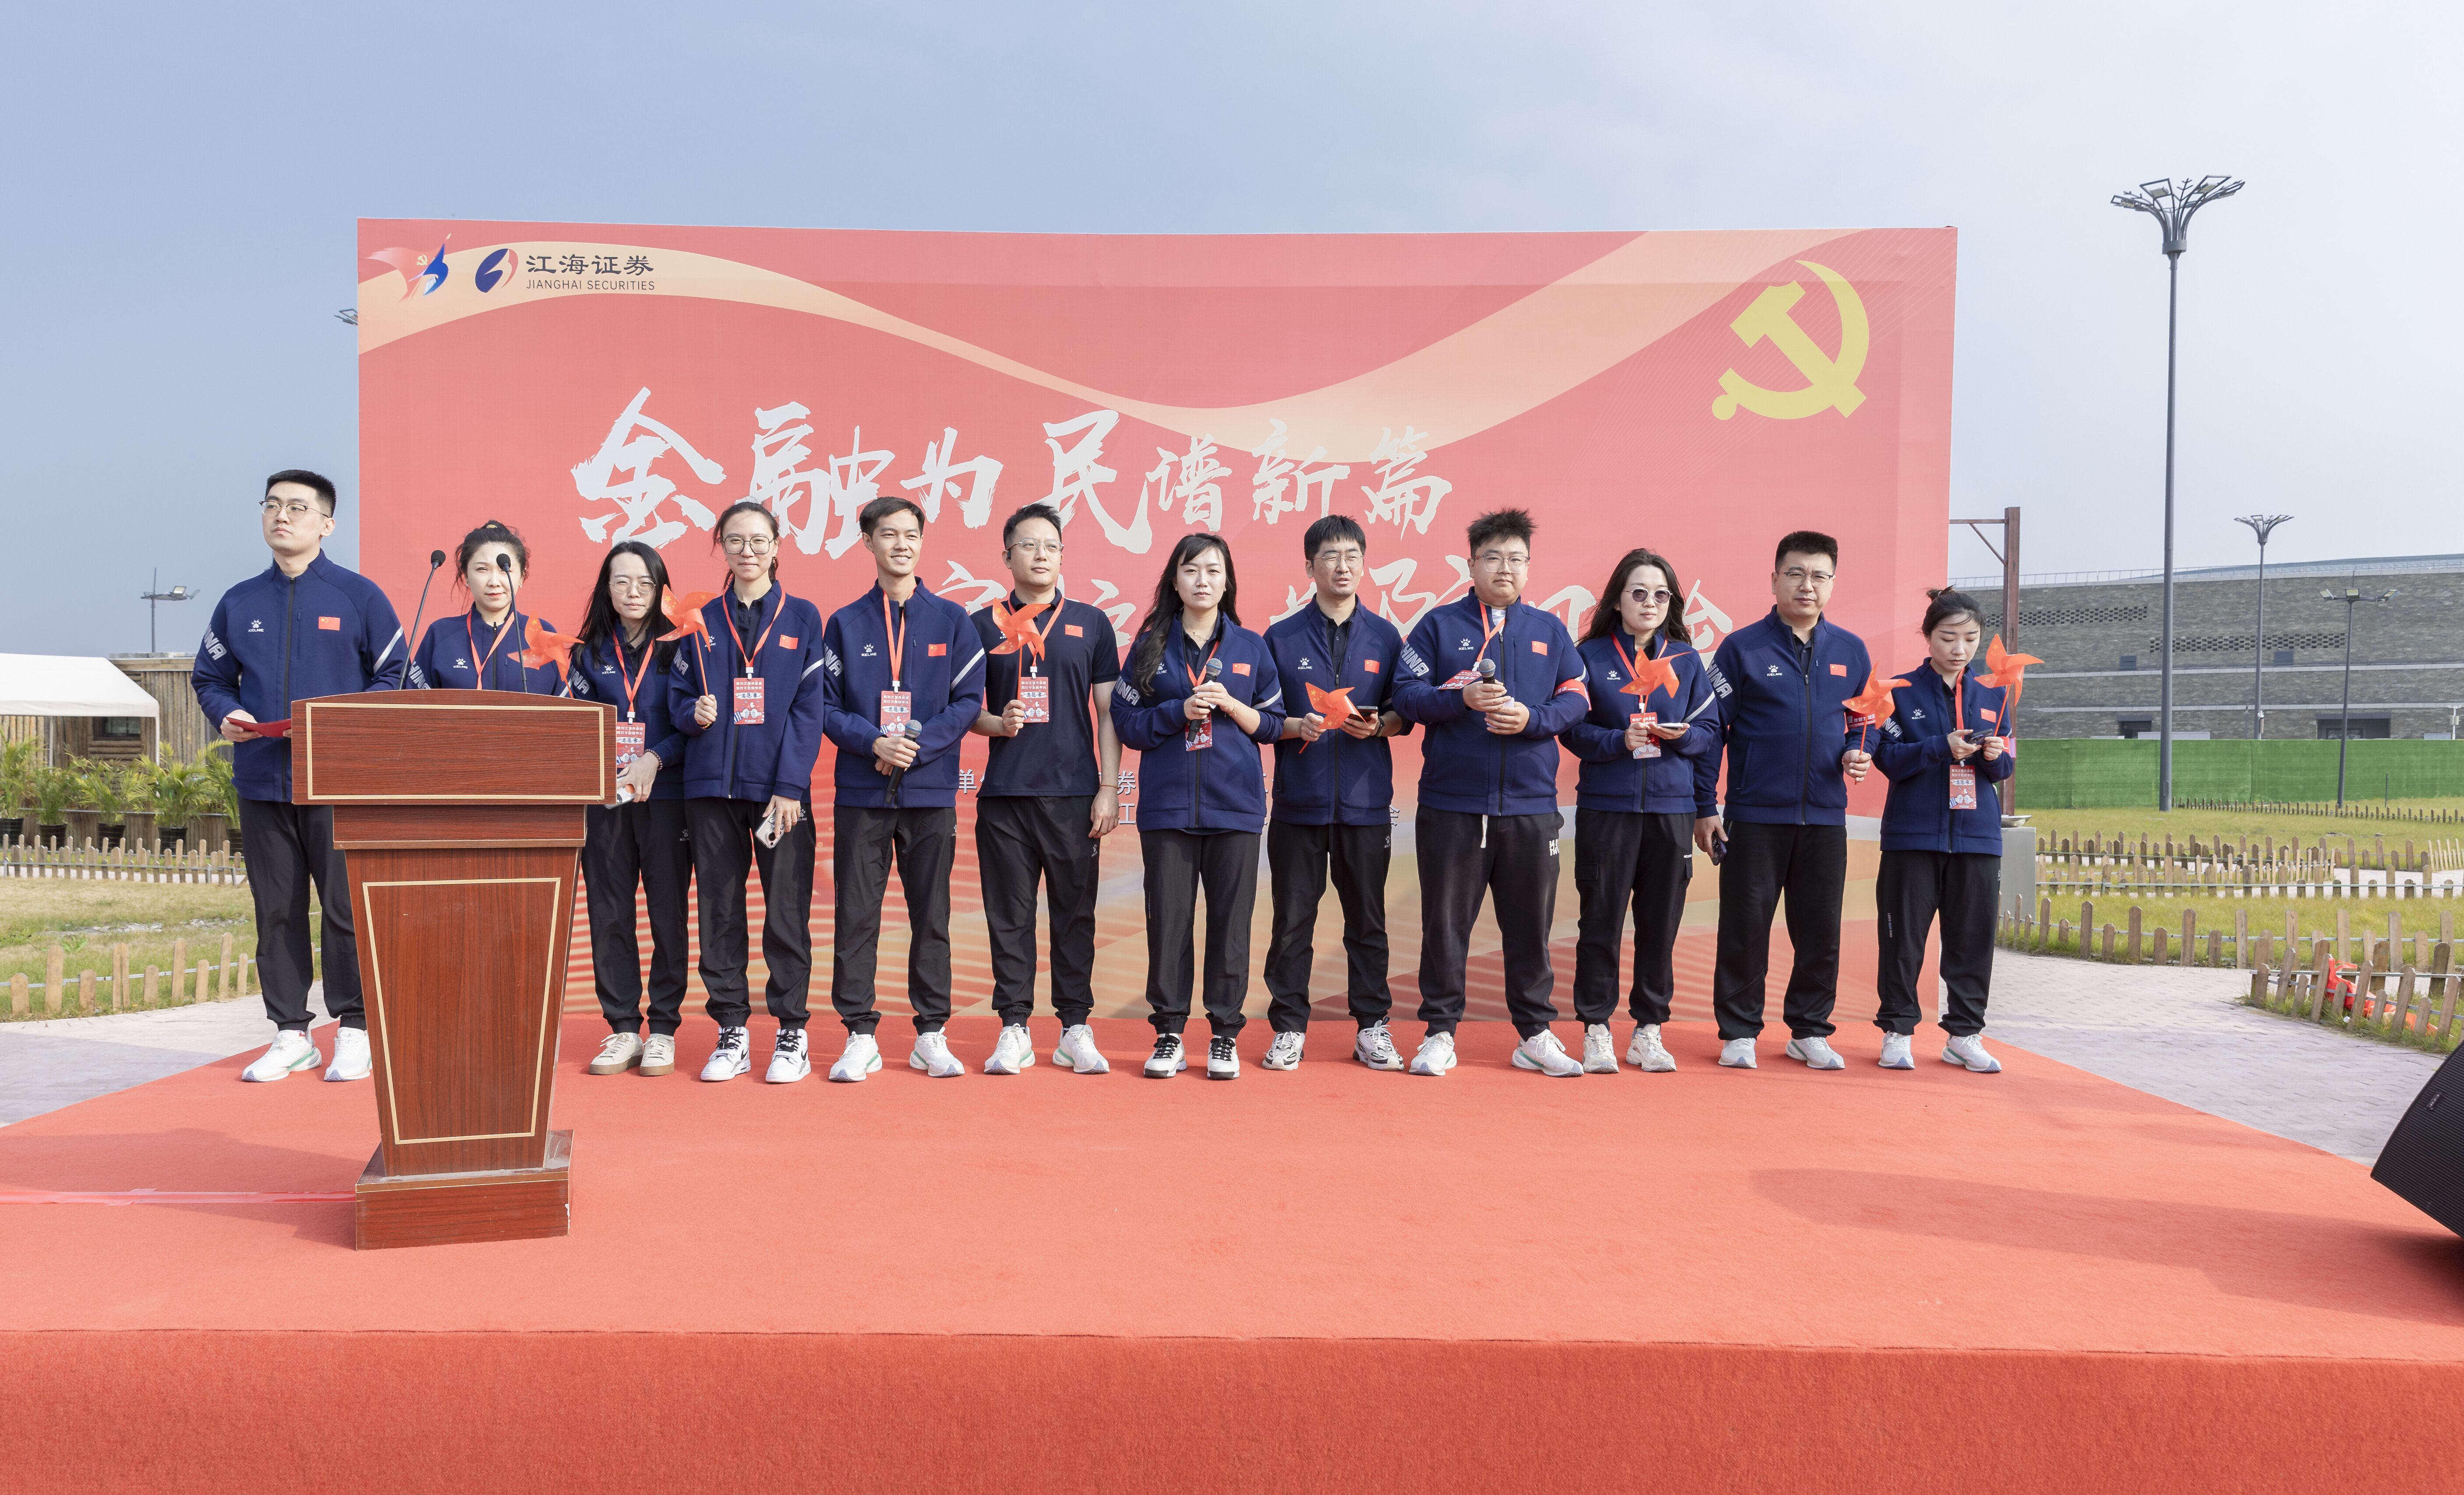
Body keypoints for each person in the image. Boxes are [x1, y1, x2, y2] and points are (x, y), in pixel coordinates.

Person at [192, 469, 405, 1084]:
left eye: (297, 507)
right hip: (262, 780)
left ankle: (356, 1030)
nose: (282, 516)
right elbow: (209, 678)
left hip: (338, 783)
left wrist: (349, 723)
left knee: (344, 909)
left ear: (326, 524)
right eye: (272, 505)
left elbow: (395, 674)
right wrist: (226, 713)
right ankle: (291, 1033)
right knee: (277, 912)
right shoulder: (239, 602)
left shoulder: (359, 596)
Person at [1390, 508, 1591, 1079]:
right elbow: (1405, 695)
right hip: (1453, 806)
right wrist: (1460, 701)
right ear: (1471, 563)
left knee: (1530, 926)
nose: (1506, 568)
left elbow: (1578, 697)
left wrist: (1532, 718)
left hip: (1531, 808)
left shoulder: (1548, 630)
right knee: (1445, 925)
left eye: (1517, 558)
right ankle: (1439, 1032)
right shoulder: (1438, 626)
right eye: (1494, 557)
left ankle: (1534, 1034)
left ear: (1529, 566)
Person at [817, 495, 986, 1082]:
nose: (901, 544)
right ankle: (859, 1035)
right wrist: (874, 743)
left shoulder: (953, 621)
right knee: (856, 915)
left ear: (922, 541)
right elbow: (825, 706)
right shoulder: (844, 623)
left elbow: (969, 701)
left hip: (931, 792)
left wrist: (918, 745)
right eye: (888, 534)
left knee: (931, 915)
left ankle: (931, 1033)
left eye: (911, 534)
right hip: (862, 794)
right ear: (868, 542)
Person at [1693, 530, 1874, 1072]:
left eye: (1819, 576)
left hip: (1825, 817)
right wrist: (1706, 805)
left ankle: (1810, 1030)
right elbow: (1712, 730)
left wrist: (1859, 751)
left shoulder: (1852, 651)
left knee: (1820, 930)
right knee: (1745, 927)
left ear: (1832, 584)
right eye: (1795, 574)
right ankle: (1739, 1031)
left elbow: (1864, 722)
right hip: (1754, 815)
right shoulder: (1741, 648)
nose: (1806, 586)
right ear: (1774, 580)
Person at [1109, 534, 1284, 1080]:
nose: (1202, 580)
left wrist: (1230, 704)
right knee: (1169, 923)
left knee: (1231, 926)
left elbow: (1274, 724)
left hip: (1236, 808)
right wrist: (1177, 711)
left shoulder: (1251, 647)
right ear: (1175, 580)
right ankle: (1168, 1034)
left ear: (1227, 581)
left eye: (1213, 570)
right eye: (1191, 570)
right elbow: (1126, 724)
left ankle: (1224, 1035)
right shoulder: (1149, 646)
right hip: (1167, 811)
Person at [672, 501, 830, 1084]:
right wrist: (692, 713)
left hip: (778, 795)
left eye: (758, 540)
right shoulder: (698, 619)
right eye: (735, 540)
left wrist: (790, 786)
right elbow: (676, 699)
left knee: (786, 912)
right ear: (721, 546)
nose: (748, 551)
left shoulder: (803, 617)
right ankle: (731, 1031)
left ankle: (792, 1032)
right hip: (710, 788)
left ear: (776, 546)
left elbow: (809, 709)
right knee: (719, 911)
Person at [967, 501, 1121, 1076]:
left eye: (1051, 546)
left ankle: (1074, 1027)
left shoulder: (1091, 623)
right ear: (1006, 556)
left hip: (1075, 794)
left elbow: (1108, 713)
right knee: (1009, 917)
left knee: (1074, 916)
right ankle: (1014, 1027)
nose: (1041, 555)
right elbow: (964, 711)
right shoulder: (980, 624)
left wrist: (1109, 787)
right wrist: (997, 723)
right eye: (1028, 545)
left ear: (1062, 556)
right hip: (1005, 796)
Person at [1259, 514, 1413, 1071]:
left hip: (1365, 806)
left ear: (1364, 564)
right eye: (1330, 556)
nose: (1342, 566)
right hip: (1298, 805)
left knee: (1367, 923)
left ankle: (1372, 1027)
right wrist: (1295, 725)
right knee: (1292, 923)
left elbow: (1404, 713)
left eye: (1352, 556)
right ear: (1310, 567)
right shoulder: (1280, 638)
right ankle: (1288, 1029)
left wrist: (1378, 727)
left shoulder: (1386, 637)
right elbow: (1264, 719)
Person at [1560, 547, 1716, 1073]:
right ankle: (1597, 1029)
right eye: (1639, 593)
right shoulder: (1589, 657)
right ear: (1618, 600)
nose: (1650, 603)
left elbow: (1710, 733)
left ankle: (1649, 1030)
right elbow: (1571, 730)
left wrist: (1685, 736)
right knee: (1600, 921)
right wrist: (1616, 741)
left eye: (1661, 595)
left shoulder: (1686, 661)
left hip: (1672, 812)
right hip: (1608, 809)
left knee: (1660, 925)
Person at [565, 541, 693, 1078]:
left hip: (667, 797)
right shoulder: (587, 652)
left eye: (644, 582)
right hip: (606, 801)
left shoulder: (684, 646)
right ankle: (622, 1027)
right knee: (610, 912)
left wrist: (654, 759)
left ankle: (662, 1029)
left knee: (668, 914)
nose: (633, 592)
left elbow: (696, 724)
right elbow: (574, 724)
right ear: (607, 589)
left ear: (662, 589)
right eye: (621, 581)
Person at [1869, 589, 2011, 1073]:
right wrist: (1939, 747)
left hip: (1978, 839)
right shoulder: (1898, 692)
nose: (1959, 648)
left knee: (1972, 941)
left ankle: (1964, 1035)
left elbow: (2005, 768)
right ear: (1928, 637)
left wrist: (1994, 757)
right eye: (1948, 637)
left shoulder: (1994, 694)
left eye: (1970, 638)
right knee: (1903, 940)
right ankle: (1897, 1032)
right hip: (1913, 836)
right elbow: (1887, 759)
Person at [408, 520, 566, 693]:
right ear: (466, 576)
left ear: (522, 576)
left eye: (505, 570)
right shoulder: (441, 634)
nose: (494, 582)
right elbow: (415, 703)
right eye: (483, 569)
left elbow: (566, 707)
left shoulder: (543, 635)